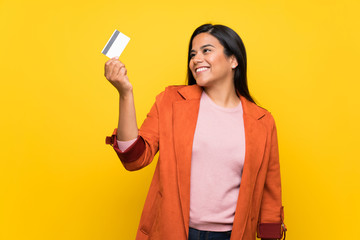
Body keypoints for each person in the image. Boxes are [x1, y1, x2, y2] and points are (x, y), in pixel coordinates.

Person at [104, 24, 286, 240]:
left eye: (206, 50)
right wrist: (125, 93)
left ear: (233, 60)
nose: (196, 59)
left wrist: (270, 235)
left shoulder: (262, 121)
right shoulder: (171, 101)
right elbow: (134, 158)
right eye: (193, 54)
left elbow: (270, 191)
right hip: (173, 232)